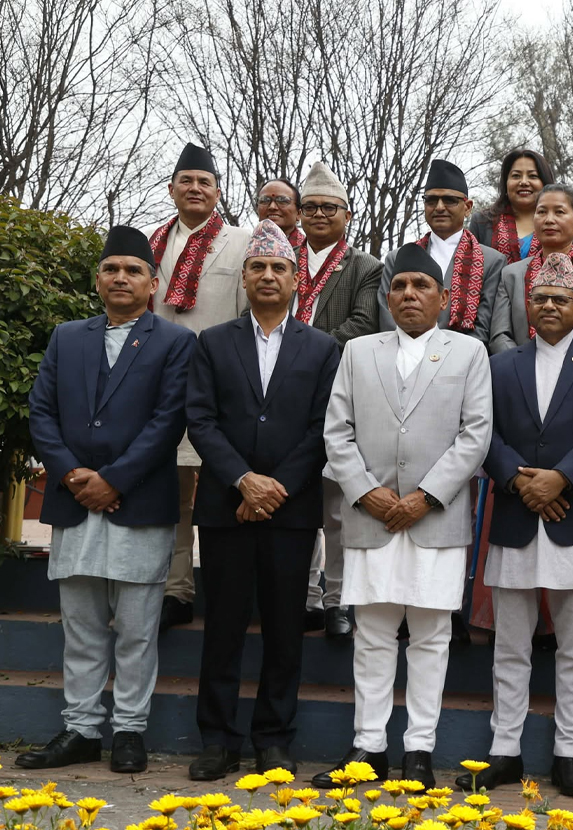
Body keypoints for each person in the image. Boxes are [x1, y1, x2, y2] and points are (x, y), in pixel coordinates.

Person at [314, 242, 492, 787]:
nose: (409, 295)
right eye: (399, 286)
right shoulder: (358, 351)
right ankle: (368, 748)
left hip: (434, 517)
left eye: (421, 287)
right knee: (372, 632)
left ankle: (419, 750)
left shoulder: (468, 352)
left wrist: (427, 496)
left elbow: (475, 434)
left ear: (443, 298)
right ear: (387, 297)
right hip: (371, 514)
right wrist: (366, 492)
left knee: (432, 635)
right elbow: (336, 431)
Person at [19, 227, 197, 772]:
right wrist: (72, 473)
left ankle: (129, 731)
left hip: (137, 502)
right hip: (75, 502)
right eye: (112, 268)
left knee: (138, 629)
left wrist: (114, 479)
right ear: (97, 279)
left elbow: (170, 420)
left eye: (133, 270)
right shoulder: (66, 336)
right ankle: (80, 729)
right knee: (81, 624)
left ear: (154, 283)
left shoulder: (175, 342)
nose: (121, 277)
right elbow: (41, 412)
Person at [456, 253, 573, 797]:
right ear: (527, 306)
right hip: (515, 515)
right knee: (511, 645)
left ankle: (567, 752)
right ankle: (504, 750)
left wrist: (560, 480)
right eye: (540, 299)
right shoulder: (499, 364)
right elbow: (485, 433)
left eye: (560, 299)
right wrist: (522, 482)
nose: (549, 306)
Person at [184, 221, 341, 780]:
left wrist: (275, 489)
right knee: (222, 627)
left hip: (291, 511)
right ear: (244, 278)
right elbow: (200, 420)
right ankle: (217, 740)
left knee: (284, 629)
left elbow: (326, 426)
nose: (268, 276)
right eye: (258, 267)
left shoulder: (323, 348)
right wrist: (243, 481)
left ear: (297, 279)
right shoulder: (213, 342)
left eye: (279, 268)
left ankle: (274, 739)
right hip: (227, 508)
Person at [142, 142, 251, 633]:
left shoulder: (243, 241)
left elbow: (252, 316)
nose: (194, 188)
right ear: (171, 189)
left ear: (217, 192)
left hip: (221, 386)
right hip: (161, 384)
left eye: (204, 182)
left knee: (228, 489)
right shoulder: (150, 246)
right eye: (185, 180)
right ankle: (176, 590)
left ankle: (233, 591)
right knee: (175, 493)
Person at [295, 160, 383, 640]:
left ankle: (339, 600)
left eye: (330, 207)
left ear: (347, 213)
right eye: (311, 207)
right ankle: (305, 596)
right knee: (297, 500)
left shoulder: (367, 267)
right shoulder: (281, 258)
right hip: (284, 398)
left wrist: (294, 349)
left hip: (340, 395)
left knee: (338, 507)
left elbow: (362, 326)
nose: (320, 214)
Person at [377, 159, 505, 344]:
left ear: (467, 207)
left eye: (449, 200)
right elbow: (388, 318)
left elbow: (483, 327)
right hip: (402, 360)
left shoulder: (491, 261)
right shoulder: (397, 258)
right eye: (431, 200)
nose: (439, 207)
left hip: (461, 364)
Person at [490, 184, 573, 353]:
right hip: (518, 373)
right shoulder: (511, 274)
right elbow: (500, 336)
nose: (549, 220)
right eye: (542, 212)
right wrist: (522, 367)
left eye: (559, 212)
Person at [469, 148, 573, 262]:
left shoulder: (566, 222)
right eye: (516, 176)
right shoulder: (482, 221)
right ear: (506, 182)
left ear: (545, 182)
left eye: (532, 176)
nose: (524, 182)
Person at [256, 178, 304, 246]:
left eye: (282, 201)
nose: (272, 207)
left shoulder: (310, 251)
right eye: (265, 200)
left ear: (299, 214)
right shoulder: (243, 247)